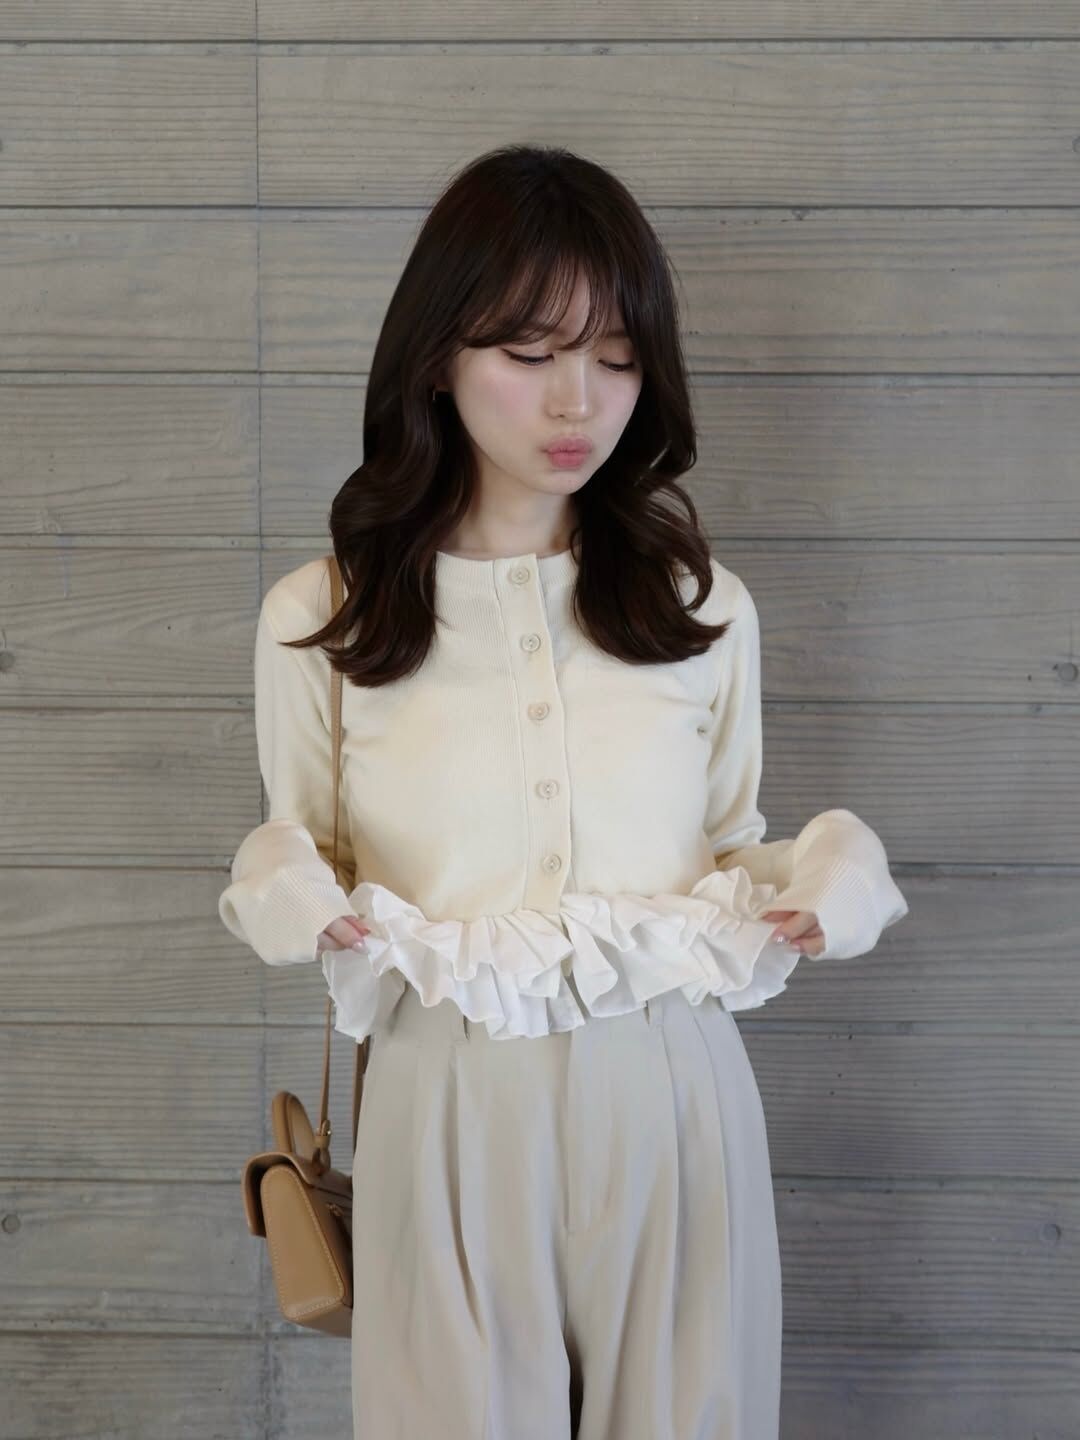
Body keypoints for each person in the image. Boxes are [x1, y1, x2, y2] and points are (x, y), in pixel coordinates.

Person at [219, 143, 909, 1440]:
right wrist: (289, 895)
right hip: (444, 1100)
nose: (576, 400)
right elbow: (302, 843)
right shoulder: (327, 615)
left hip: (676, 1099)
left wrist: (835, 874)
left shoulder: (700, 608)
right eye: (529, 353)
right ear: (438, 356)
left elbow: (726, 848)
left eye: (616, 357)